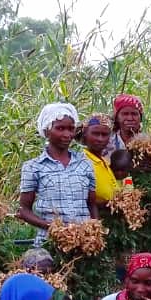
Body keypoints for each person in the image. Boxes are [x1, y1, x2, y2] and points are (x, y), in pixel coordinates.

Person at [18, 103, 97, 242]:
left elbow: (91, 204)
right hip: (50, 241)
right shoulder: (33, 167)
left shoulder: (84, 164)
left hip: (84, 240)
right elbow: (24, 210)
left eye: (71, 129)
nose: (67, 134)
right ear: (47, 131)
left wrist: (95, 229)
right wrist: (54, 228)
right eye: (60, 128)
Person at [81, 113, 119, 204]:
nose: (100, 139)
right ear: (85, 134)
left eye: (104, 134)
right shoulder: (82, 162)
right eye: (95, 133)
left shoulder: (105, 162)